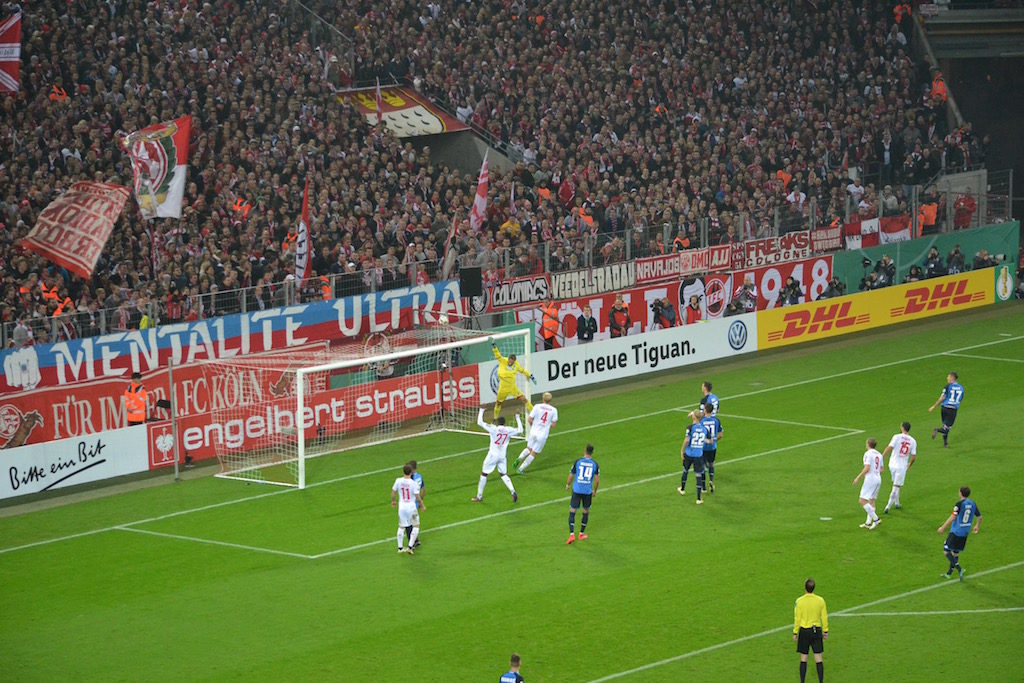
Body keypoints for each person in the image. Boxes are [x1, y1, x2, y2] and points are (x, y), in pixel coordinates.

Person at [472, 408, 522, 503]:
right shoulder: (508, 430)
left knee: (484, 473)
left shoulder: (493, 429)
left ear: (497, 422)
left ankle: (479, 496)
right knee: (503, 474)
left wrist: (481, 410)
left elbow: (479, 422)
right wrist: (517, 417)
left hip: (493, 455)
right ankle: (513, 491)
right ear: (504, 422)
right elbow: (520, 430)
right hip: (502, 456)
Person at [937, 485, 981, 580]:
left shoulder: (959, 504)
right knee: (956, 552)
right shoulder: (973, 503)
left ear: (960, 493)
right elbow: (979, 517)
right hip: (965, 532)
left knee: (946, 550)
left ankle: (959, 569)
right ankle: (949, 573)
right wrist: (977, 525)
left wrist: (943, 528)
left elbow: (953, 517)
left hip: (956, 531)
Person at [490, 337, 535, 419]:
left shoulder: (516, 365)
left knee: (524, 399)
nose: (510, 362)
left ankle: (534, 413)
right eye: (510, 360)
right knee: (498, 403)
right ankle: (495, 418)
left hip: (512, 387)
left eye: (512, 361)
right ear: (508, 359)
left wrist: (530, 375)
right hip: (503, 388)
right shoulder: (503, 360)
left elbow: (522, 370)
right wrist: (494, 346)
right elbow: (498, 355)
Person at [793, 578, 828, 683]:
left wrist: (795, 632)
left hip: (804, 631)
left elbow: (797, 618)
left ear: (805, 588)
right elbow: (824, 617)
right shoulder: (820, 600)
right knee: (818, 658)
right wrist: (825, 631)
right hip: (816, 630)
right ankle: (821, 681)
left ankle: (802, 681)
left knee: (804, 658)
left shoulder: (799, 601)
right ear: (814, 588)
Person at [514, 392, 558, 474]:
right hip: (542, 435)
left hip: (533, 431)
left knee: (529, 448)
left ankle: (519, 459)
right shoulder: (554, 410)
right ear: (551, 400)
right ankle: (521, 469)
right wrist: (547, 423)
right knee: (533, 452)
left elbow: (529, 419)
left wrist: (533, 426)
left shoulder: (537, 406)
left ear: (542, 398)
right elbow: (553, 425)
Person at [566, 443, 599, 544]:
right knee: (586, 511)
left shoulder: (578, 461)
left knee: (572, 510)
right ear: (592, 452)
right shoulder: (595, 464)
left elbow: (572, 474)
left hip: (577, 489)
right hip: (587, 491)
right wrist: (594, 491)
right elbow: (597, 481)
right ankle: (581, 534)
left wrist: (568, 484)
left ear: (585, 451)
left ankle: (571, 534)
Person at [882, 422, 917, 514]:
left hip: (892, 464)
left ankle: (897, 503)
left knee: (895, 483)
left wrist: (881, 458)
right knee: (896, 486)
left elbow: (889, 448)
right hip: (901, 466)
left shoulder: (896, 436)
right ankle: (888, 506)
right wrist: (910, 464)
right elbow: (913, 457)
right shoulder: (913, 441)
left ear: (902, 427)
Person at [391, 463, 425, 555]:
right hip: (411, 507)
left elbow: (393, 491)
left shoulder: (398, 481)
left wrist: (393, 501)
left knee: (401, 526)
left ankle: (400, 547)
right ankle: (410, 547)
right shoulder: (413, 483)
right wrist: (422, 505)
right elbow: (417, 496)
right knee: (416, 525)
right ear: (411, 473)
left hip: (401, 507)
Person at [853, 438, 883, 529]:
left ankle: (876, 519)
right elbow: (881, 469)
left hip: (870, 479)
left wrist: (858, 477)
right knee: (871, 500)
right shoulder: (879, 454)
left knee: (862, 500)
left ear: (868, 444)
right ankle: (868, 523)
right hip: (878, 478)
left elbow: (867, 468)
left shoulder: (868, 454)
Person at [677, 410, 707, 504]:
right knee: (698, 475)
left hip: (689, 453)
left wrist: (682, 450)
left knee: (685, 470)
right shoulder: (704, 429)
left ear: (694, 417)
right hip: (698, 455)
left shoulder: (690, 427)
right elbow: (709, 440)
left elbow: (686, 440)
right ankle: (698, 499)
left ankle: (682, 489)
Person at [929, 371, 964, 448]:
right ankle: (937, 430)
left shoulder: (947, 386)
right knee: (946, 428)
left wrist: (934, 406)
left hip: (944, 408)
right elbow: (960, 399)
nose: (947, 378)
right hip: (952, 409)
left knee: (945, 426)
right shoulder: (961, 388)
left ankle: (945, 443)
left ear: (952, 378)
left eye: (948, 377)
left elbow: (942, 398)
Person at [700, 402, 723, 493]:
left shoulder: (701, 421)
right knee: (711, 464)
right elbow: (721, 435)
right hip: (712, 447)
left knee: (702, 466)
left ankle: (703, 488)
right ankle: (711, 480)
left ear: (705, 410)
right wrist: (714, 440)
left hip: (703, 447)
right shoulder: (716, 420)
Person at [403, 460, 425, 548]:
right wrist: (421, 501)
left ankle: (413, 543)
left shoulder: (411, 478)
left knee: (408, 524)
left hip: (410, 503)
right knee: (413, 522)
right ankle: (415, 540)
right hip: (416, 503)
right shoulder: (419, 476)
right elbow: (423, 490)